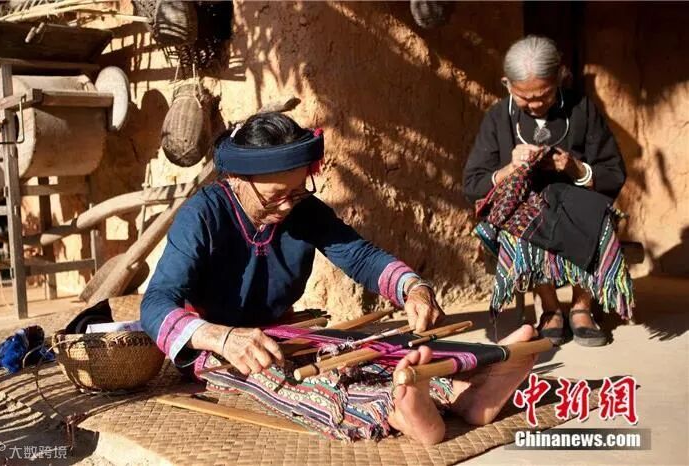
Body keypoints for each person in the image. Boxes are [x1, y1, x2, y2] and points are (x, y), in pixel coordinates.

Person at [142, 112, 537, 444]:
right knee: (291, 379)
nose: (289, 204)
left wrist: (412, 287)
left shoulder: (303, 209)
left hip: (288, 334)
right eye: (277, 194)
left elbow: (359, 256)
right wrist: (222, 338)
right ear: (237, 180)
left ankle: (466, 394)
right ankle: (396, 411)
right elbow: (156, 303)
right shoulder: (203, 215)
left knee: (363, 351)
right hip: (218, 351)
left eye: (299, 190)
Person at [463, 35, 634, 347]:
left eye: (543, 95)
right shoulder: (498, 118)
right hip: (528, 208)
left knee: (598, 218)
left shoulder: (582, 110)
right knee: (522, 222)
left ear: (560, 77)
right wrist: (509, 169)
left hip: (578, 203)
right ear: (506, 84)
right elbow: (473, 182)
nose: (535, 104)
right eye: (524, 98)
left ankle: (581, 307)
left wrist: (575, 168)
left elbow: (613, 171)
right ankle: (550, 308)